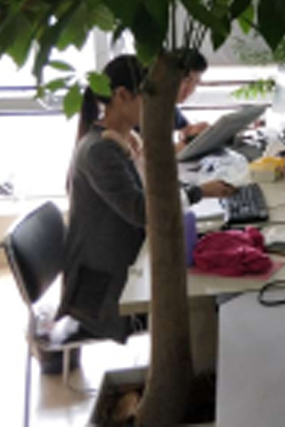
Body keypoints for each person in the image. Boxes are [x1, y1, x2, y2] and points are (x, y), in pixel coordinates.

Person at [58, 55, 235, 342]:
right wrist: (199, 192)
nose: (158, 109)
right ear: (122, 96)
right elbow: (143, 211)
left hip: (123, 259)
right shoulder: (100, 151)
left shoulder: (120, 140)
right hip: (104, 288)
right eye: (149, 99)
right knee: (203, 290)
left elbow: (150, 190)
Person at [174, 49, 210, 150]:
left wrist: (196, 131)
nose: (190, 89)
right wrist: (189, 142)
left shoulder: (172, 110)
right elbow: (146, 154)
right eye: (186, 80)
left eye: (195, 83)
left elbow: (185, 130)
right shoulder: (146, 110)